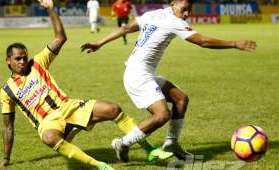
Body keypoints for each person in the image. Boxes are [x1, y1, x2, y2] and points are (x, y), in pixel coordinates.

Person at [0, 0, 173, 169]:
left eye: (24, 57)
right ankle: (101, 166)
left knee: (113, 109)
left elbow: (60, 38)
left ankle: (150, 151)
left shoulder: (37, 63)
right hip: (48, 122)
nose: (22, 61)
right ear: (8, 61)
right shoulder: (7, 91)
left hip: (69, 107)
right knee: (48, 137)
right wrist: (6, 158)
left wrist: (51, 9)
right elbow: (8, 127)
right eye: (17, 59)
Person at [81, 0, 257, 162]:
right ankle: (123, 143)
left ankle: (172, 143)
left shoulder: (153, 14)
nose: (187, 14)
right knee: (162, 115)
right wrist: (234, 43)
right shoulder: (174, 22)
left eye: (190, 11)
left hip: (141, 72)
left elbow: (126, 28)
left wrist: (99, 43)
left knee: (181, 99)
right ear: (173, 4)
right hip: (138, 75)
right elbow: (202, 41)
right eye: (184, 9)